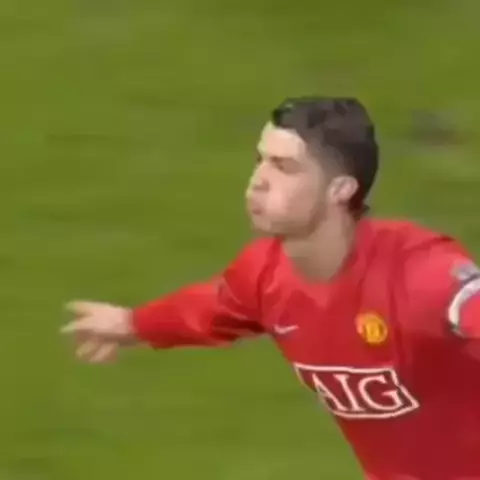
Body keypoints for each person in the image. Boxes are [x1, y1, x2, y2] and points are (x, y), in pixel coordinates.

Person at [61, 96, 480, 479]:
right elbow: (212, 307)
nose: (259, 180)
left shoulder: (416, 271)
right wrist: (133, 324)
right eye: (260, 160)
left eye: (284, 167)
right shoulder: (265, 275)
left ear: (340, 189)